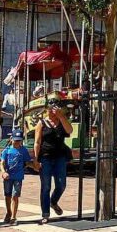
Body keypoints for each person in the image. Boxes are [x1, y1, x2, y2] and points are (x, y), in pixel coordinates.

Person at [33, 96, 73, 224]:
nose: (51, 112)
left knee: (61, 184)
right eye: (49, 109)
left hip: (60, 156)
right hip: (45, 157)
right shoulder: (42, 123)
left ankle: (53, 201)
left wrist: (61, 117)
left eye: (54, 109)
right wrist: (35, 159)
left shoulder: (62, 121)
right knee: (46, 186)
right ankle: (45, 213)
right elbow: (37, 142)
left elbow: (70, 130)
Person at [0, 128, 34, 225]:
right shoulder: (7, 150)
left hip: (18, 177)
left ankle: (14, 216)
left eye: (19, 140)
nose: (17, 142)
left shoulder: (23, 150)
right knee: (7, 195)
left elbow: (27, 162)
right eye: (15, 140)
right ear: (11, 139)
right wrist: (3, 172)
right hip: (8, 177)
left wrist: (35, 166)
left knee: (15, 196)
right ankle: (8, 212)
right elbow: (2, 163)